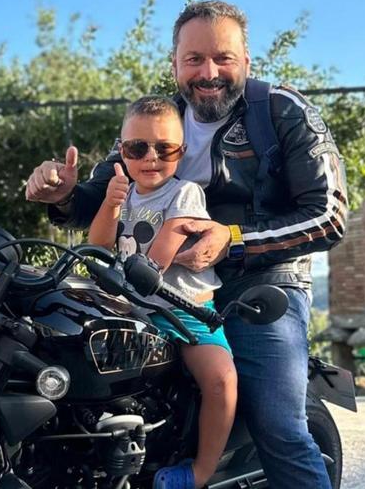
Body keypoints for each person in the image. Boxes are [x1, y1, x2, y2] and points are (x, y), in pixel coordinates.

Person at [25, 0, 347, 489]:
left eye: (223, 57)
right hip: (154, 285)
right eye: (194, 59)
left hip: (262, 287)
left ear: (247, 61)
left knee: (278, 425)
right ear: (174, 64)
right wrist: (64, 194)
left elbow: (328, 214)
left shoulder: (281, 111)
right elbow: (103, 194)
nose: (209, 72)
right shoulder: (154, 120)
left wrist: (233, 240)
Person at [88, 95, 235, 489]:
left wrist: (138, 278)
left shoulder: (185, 193)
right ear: (122, 151)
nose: (151, 157)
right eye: (138, 148)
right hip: (135, 309)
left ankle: (201, 471)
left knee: (221, 380)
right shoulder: (125, 193)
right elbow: (98, 246)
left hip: (183, 310)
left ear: (181, 151)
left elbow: (161, 253)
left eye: (164, 148)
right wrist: (110, 204)